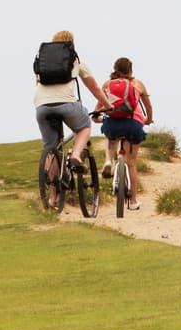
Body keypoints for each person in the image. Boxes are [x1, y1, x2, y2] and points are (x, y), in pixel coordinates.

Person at [32, 30, 100, 191]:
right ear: (71, 44)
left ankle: (52, 197)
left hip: (42, 107)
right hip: (67, 104)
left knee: (51, 148)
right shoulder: (75, 61)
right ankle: (76, 154)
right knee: (84, 126)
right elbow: (95, 88)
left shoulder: (43, 63)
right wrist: (107, 105)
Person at [96, 57, 153, 210]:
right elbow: (148, 106)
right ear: (130, 70)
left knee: (111, 136)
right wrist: (148, 120)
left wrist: (97, 118)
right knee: (131, 163)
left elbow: (98, 108)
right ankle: (133, 201)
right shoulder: (137, 84)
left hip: (112, 124)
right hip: (133, 124)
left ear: (114, 68)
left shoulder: (108, 85)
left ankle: (108, 160)